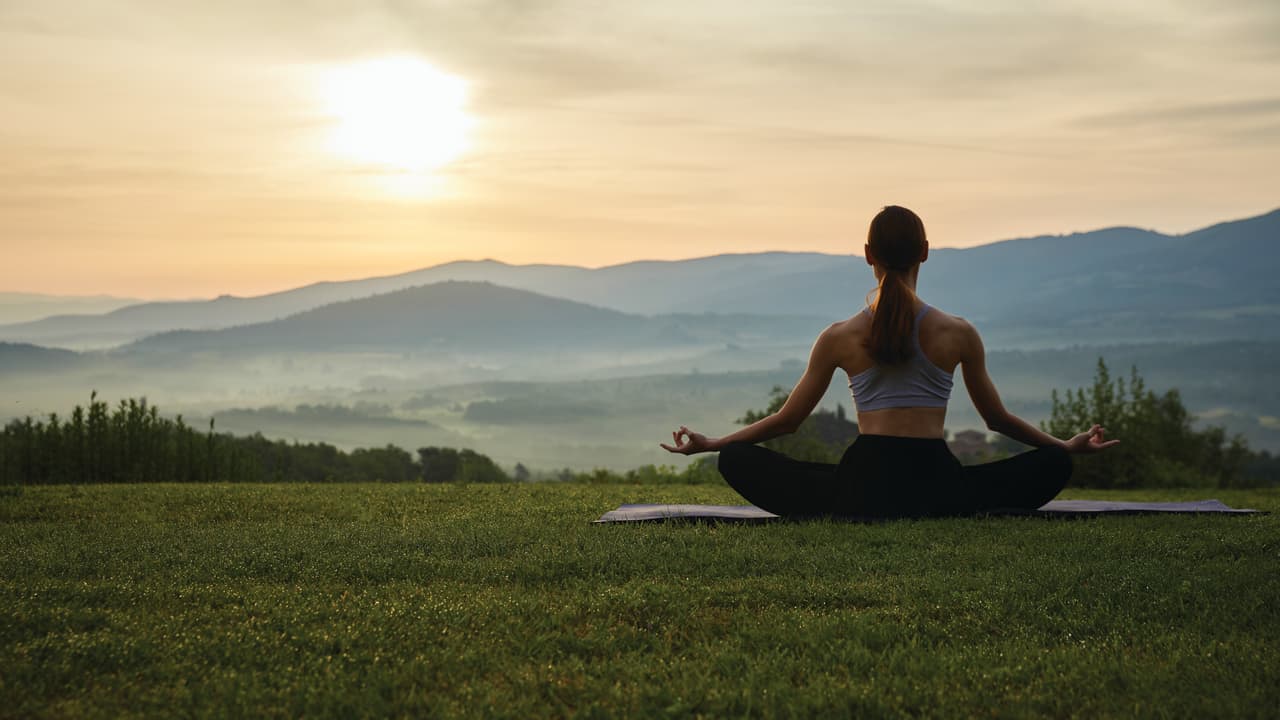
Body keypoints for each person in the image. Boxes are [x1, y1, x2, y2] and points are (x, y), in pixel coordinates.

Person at [660, 205, 1118, 518]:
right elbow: (997, 420)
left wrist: (716, 443)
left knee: (737, 461)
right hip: (940, 487)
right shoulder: (959, 333)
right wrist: (1064, 447)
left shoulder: (838, 336)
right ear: (924, 251)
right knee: (1053, 466)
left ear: (867, 256)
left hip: (862, 489)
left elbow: (786, 421)